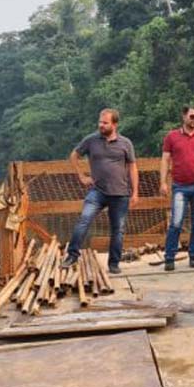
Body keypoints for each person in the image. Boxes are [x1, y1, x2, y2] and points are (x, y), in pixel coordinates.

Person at [62, 108, 139, 274]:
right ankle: (72, 255)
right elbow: (73, 155)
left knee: (118, 229)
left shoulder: (126, 143)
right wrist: (82, 176)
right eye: (100, 122)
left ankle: (114, 264)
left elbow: (133, 168)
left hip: (120, 193)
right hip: (97, 191)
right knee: (84, 219)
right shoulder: (91, 140)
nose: (101, 125)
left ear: (115, 124)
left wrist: (135, 192)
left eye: (105, 123)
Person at [160, 105, 194, 271]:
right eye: (192, 116)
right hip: (180, 186)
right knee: (176, 222)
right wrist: (163, 181)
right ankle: (169, 258)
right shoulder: (172, 137)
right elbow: (165, 160)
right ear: (184, 117)